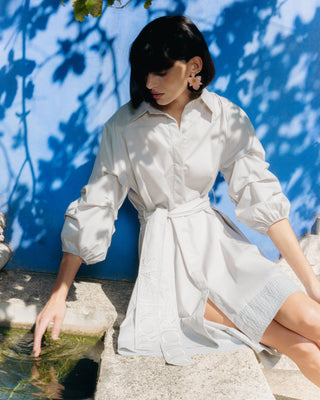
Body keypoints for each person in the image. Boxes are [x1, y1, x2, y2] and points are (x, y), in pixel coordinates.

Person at [33, 15, 320, 386]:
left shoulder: (225, 117)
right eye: (144, 73)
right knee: (303, 348)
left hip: (221, 250)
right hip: (168, 265)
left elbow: (259, 194)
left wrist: (310, 283)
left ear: (193, 67)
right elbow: (97, 206)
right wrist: (59, 294)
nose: (150, 83)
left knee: (312, 320)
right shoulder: (123, 127)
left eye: (162, 72)